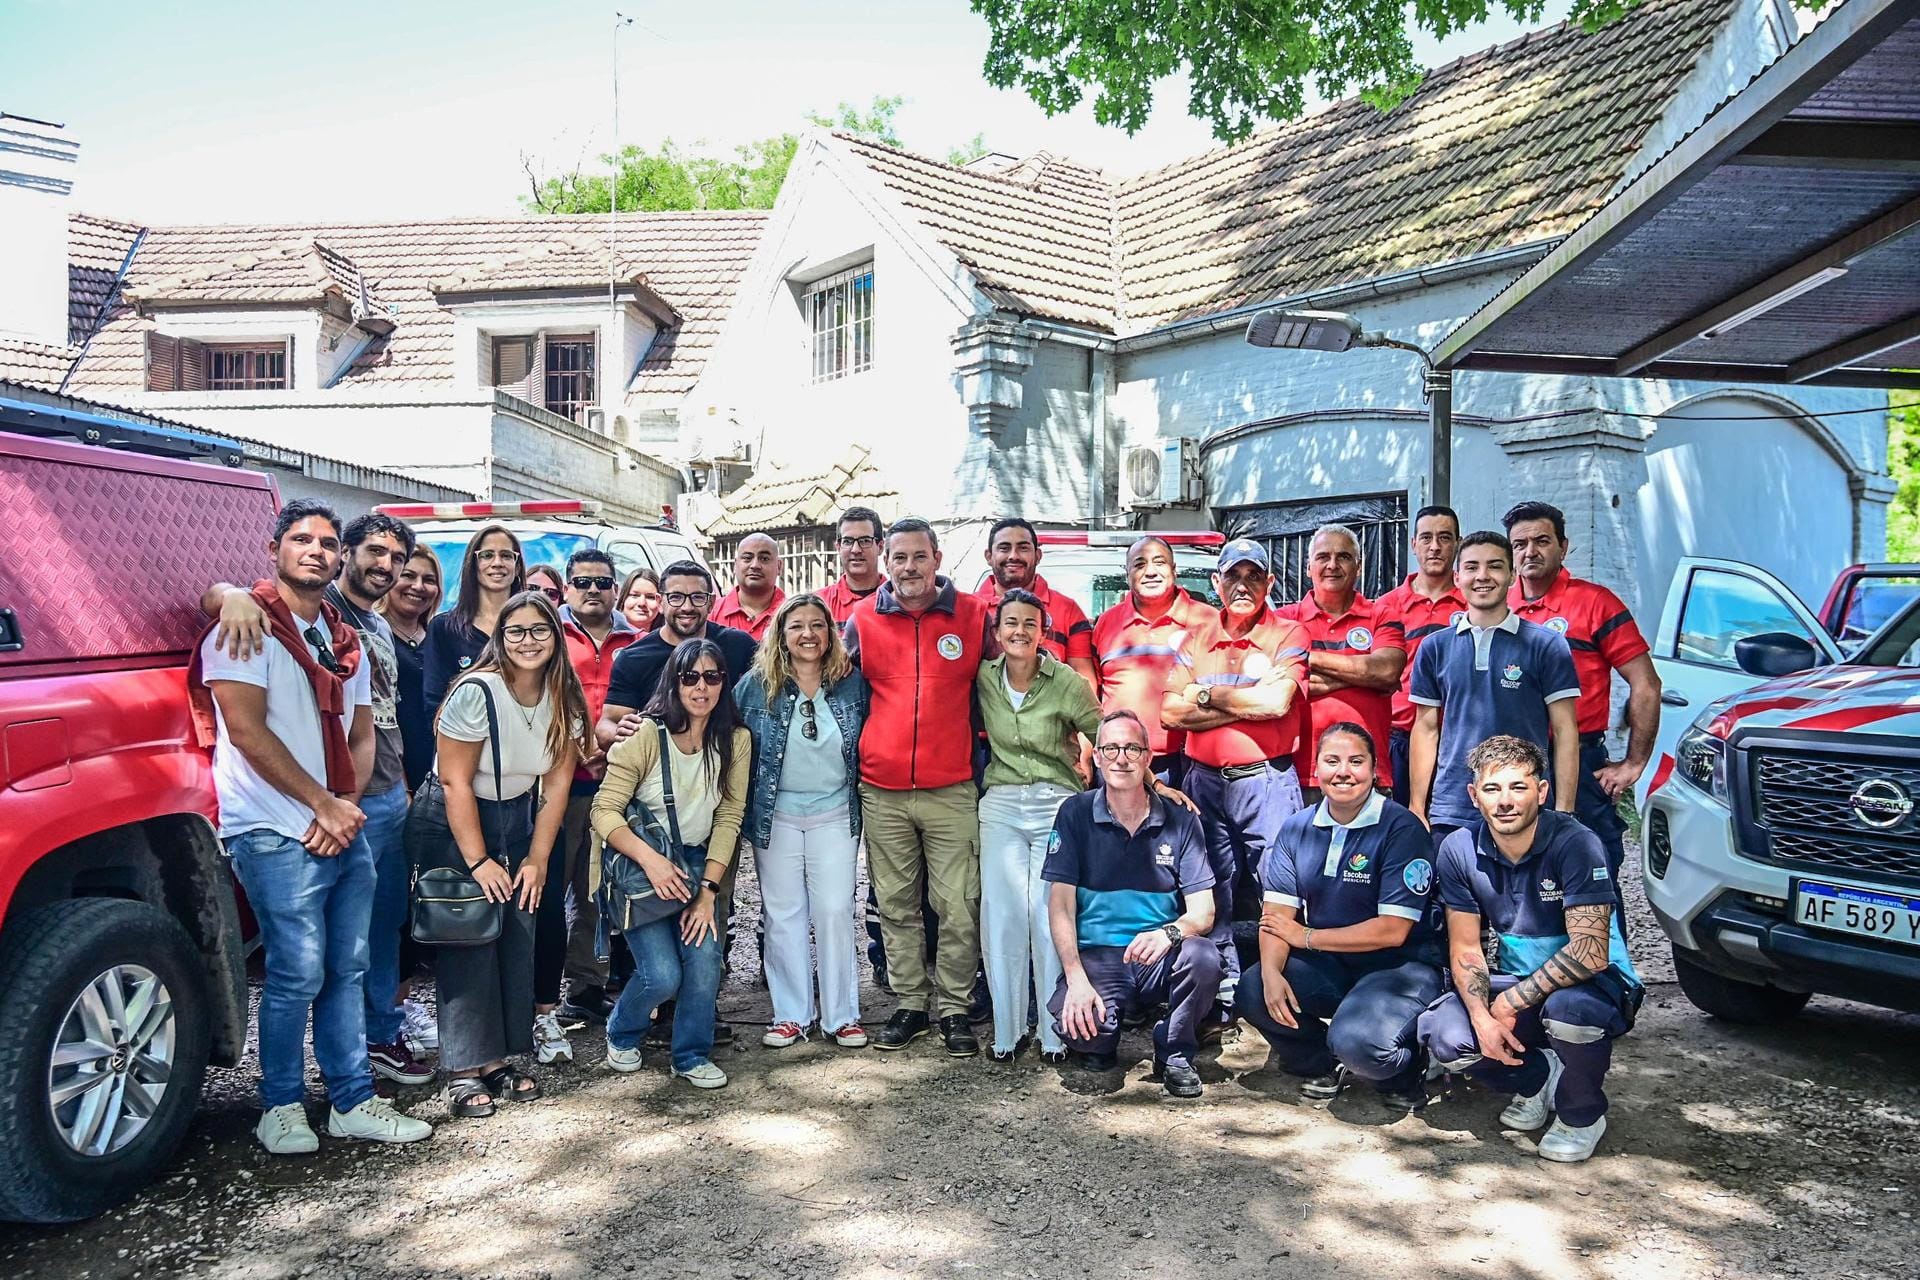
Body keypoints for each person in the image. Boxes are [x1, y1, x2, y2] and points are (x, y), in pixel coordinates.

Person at [187, 498, 431, 1153]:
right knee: (295, 970)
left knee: (347, 967)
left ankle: (352, 1099)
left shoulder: (341, 638)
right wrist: (322, 807)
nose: (317, 551)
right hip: (270, 826)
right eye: (303, 540)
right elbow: (246, 729)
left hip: (337, 822)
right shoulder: (242, 627)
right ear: (275, 549)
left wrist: (341, 805)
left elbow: (360, 732)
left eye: (326, 541)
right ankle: (282, 1106)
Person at [1417, 736, 1642, 1163]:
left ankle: (1582, 1114)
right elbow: (1466, 948)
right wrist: (1483, 1016)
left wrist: (1509, 1004)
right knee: (1444, 1031)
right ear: (1473, 795)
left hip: (1598, 985)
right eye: (1492, 789)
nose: (1505, 801)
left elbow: (1591, 952)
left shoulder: (1577, 842)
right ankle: (1537, 1079)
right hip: (1522, 983)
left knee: (1570, 1013)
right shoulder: (1459, 849)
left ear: (1541, 791)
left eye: (1518, 787)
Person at [420, 591, 586, 1117]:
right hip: (459, 819)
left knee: (518, 930)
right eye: (516, 631)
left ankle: (497, 1058)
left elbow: (558, 786)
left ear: (555, 638)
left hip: (518, 815)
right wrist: (477, 860)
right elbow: (453, 781)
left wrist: (537, 859)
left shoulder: (563, 694)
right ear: (500, 638)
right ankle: (464, 1070)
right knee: (468, 935)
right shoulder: (478, 691)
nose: (528, 641)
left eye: (540, 630)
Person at [1233, 723, 1442, 1111]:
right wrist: (1271, 974)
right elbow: (1277, 917)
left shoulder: (1401, 828)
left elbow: (1393, 930)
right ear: (1317, 767)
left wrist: (1307, 938)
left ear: (1375, 769)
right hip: (1333, 964)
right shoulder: (1297, 828)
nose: (1343, 771)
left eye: (1355, 761)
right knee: (1253, 990)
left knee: (1361, 1043)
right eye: (1332, 761)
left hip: (1399, 967)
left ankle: (1405, 1067)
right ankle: (1321, 1063)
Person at [844, 517, 993, 1055]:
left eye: (919, 557)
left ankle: (954, 1008)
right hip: (881, 788)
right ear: (887, 559)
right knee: (896, 904)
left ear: (937, 558)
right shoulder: (861, 620)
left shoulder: (975, 617)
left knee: (958, 903)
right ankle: (910, 1003)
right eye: (899, 557)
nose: (908, 568)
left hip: (952, 786)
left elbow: (1002, 692)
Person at [599, 560, 758, 1021]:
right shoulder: (635, 656)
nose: (687, 606)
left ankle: (694, 1027)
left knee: (707, 930)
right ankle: (649, 1014)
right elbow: (608, 723)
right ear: (660, 599)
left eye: (697, 596)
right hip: (649, 821)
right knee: (655, 948)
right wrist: (625, 731)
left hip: (709, 816)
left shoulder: (737, 647)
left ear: (712, 600)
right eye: (676, 596)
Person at [593, 639, 752, 1088]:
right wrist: (654, 863)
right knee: (662, 975)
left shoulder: (735, 740)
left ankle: (691, 1054)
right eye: (690, 677)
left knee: (704, 964)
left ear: (725, 681)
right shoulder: (646, 734)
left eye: (712, 676)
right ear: (674, 681)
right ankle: (623, 1029)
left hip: (699, 860)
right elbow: (604, 811)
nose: (701, 687)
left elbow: (730, 815)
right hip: (643, 861)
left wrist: (708, 892)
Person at [1162, 538, 1309, 1011]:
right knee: (1212, 885)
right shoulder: (1196, 637)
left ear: (1269, 582)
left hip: (1266, 781)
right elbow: (1169, 712)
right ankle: (1222, 990)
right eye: (1232, 576)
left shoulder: (1289, 633)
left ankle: (1282, 983)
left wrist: (1204, 694)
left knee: (1280, 884)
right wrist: (1240, 701)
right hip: (1203, 780)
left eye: (1253, 576)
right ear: (1215, 582)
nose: (1242, 585)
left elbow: (1276, 703)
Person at [1044, 711, 1220, 1099]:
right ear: (1097, 757)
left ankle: (1175, 1050)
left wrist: (1169, 932)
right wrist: (1074, 978)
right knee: (1088, 1036)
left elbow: (1203, 912)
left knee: (1204, 958)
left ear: (1148, 757)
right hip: (1100, 954)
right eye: (1109, 748)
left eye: (1131, 748)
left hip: (1158, 950)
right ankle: (1106, 1030)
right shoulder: (1074, 812)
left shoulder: (1181, 818)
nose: (1120, 758)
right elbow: (1060, 907)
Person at [1504, 500, 1661, 890]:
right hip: (1511, 762)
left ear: (1564, 546)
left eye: (1542, 541)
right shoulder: (1498, 606)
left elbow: (1646, 683)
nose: (1530, 552)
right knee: (1517, 875)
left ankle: (1606, 952)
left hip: (1578, 758)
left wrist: (1633, 764)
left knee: (1591, 873)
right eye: (1520, 543)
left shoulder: (1595, 602)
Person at [735, 594, 870, 1048]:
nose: (808, 634)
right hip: (777, 816)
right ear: (781, 635)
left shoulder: (852, 684)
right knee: (783, 913)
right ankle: (791, 1014)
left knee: (834, 910)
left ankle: (841, 1015)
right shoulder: (755, 686)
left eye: (818, 625)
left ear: (832, 633)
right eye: (797, 626)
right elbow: (724, 735)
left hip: (835, 812)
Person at [977, 588, 1103, 1064]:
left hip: (1056, 803)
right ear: (997, 631)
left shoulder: (1065, 681)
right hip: (1003, 804)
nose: (1020, 631)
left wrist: (1152, 783)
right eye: (1011, 623)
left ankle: (1055, 1031)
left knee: (1048, 915)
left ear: (1043, 631)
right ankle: (1007, 1033)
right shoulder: (984, 678)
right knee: (1002, 914)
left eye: (1030, 623)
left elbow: (1105, 730)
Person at [1407, 531, 1581, 847]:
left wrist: (1564, 811)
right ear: (1457, 576)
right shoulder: (1434, 647)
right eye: (1472, 567)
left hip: (1525, 805)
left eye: (1495, 566)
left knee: (1527, 896)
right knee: (1454, 896)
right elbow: (1426, 728)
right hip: (1453, 807)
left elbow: (1565, 729)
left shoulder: (1546, 645)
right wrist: (1418, 806)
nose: (1483, 576)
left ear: (1512, 575)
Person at [538, 550, 642, 1048]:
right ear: (568, 587)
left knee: (594, 891)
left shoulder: (635, 641)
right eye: (582, 581)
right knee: (545, 887)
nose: (593, 590)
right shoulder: (548, 636)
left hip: (615, 785)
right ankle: (537, 996)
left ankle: (585, 986)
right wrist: (585, 748)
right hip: (558, 782)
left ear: (615, 587)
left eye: (603, 581)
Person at [1278, 525, 1405, 797]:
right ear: (1308, 566)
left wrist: (1303, 658)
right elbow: (1275, 683)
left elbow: (1385, 671)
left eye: (1344, 557)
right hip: (1300, 774)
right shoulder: (1284, 620)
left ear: (1358, 566)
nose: (1333, 565)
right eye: (1323, 557)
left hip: (1369, 774)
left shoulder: (1382, 614)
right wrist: (1361, 676)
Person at [1375, 507, 1465, 805]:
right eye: (1426, 537)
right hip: (1398, 740)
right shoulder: (1386, 606)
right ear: (1413, 543)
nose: (1435, 546)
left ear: (1458, 543)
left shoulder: (1474, 602)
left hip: (1458, 741)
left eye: (1444, 537)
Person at [1091, 535, 1201, 780]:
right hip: (1117, 760)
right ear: (1127, 574)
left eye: (1159, 562)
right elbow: (1094, 692)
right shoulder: (1106, 623)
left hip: (1188, 762)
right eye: (1140, 564)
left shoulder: (1208, 620)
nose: (1150, 571)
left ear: (1174, 570)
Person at [975, 517, 1097, 687]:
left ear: (1038, 555)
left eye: (1023, 548)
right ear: (989, 556)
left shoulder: (1068, 610)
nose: (1013, 556)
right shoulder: (969, 610)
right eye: (1004, 548)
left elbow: (1084, 682)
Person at [424, 523, 526, 711]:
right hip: (464, 736)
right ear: (473, 564)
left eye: (506, 556)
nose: (497, 563)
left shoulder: (535, 626)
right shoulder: (444, 628)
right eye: (487, 555)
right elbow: (434, 701)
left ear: (517, 567)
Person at [380, 543, 445, 793]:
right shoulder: (373, 633)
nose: (418, 586)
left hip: (439, 781)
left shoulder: (440, 636)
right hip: (391, 783)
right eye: (408, 576)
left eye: (429, 579)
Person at [710, 532, 786, 642]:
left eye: (764, 558)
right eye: (747, 558)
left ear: (779, 567)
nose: (755, 565)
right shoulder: (712, 613)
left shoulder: (792, 613)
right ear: (735, 565)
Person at [818, 505, 886, 623]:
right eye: (848, 542)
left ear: (880, 547)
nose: (855, 550)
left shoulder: (899, 601)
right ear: (838, 547)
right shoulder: (820, 604)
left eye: (865, 541)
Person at [618, 566, 663, 632]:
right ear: (623, 599)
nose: (642, 603)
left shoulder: (672, 640)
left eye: (650, 597)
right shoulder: (604, 638)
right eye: (634, 595)